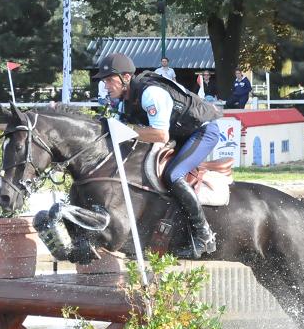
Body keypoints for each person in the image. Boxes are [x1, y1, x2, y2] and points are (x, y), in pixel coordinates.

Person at [92, 52, 221, 258]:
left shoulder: (150, 93)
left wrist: (124, 127)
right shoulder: (125, 101)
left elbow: (160, 135)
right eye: (104, 81)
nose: (106, 85)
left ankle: (204, 234)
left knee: (172, 175)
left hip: (202, 132)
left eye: (109, 80)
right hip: (181, 134)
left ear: (126, 78)